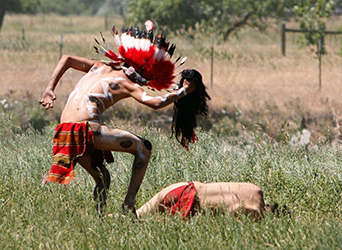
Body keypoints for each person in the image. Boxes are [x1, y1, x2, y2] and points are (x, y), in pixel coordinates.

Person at [39, 23, 211, 215]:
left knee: (103, 178)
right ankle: (129, 206)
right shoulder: (127, 83)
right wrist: (185, 91)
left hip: (63, 132)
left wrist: (49, 89)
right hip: (85, 130)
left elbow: (67, 59)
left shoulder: (99, 66)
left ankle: (99, 218)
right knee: (144, 148)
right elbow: (155, 102)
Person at [132, 182, 275, 219]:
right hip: (188, 204)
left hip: (182, 187)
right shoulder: (254, 213)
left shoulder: (255, 189)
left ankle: (109, 219)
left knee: (135, 216)